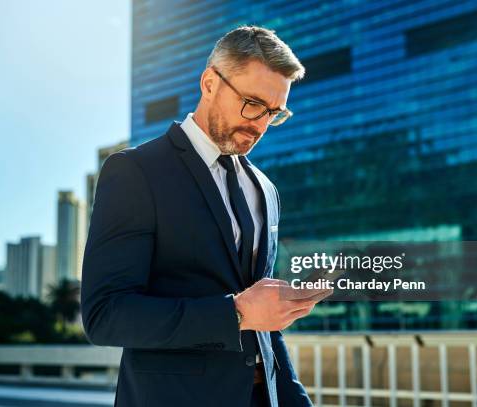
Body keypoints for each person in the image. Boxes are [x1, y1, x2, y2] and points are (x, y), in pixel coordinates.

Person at [81, 25, 332, 407]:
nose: (260, 124)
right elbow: (106, 315)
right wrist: (234, 313)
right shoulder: (136, 172)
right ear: (210, 83)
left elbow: (263, 333)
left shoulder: (265, 189)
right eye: (252, 103)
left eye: (274, 113)